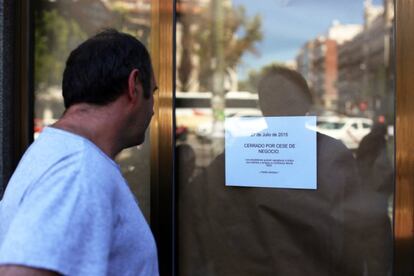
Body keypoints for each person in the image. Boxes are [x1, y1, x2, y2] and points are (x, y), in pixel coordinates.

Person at [0, 29, 159, 276]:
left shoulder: (57, 151)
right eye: (154, 93)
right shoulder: (79, 169)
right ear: (134, 86)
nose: (153, 111)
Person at [179, 66, 364, 276]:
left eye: (288, 101)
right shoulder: (329, 154)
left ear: (306, 104)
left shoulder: (331, 156)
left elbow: (354, 232)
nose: (282, 109)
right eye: (274, 100)